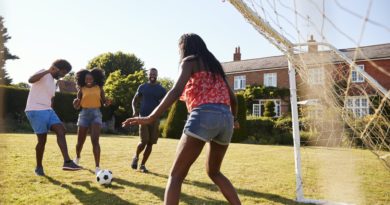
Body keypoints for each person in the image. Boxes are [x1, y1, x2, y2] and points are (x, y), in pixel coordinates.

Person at [122, 33, 241, 205]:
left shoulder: (189, 61)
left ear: (185, 47)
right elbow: (234, 99)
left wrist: (151, 117)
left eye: (180, 48)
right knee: (214, 172)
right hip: (226, 119)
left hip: (203, 114)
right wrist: (234, 119)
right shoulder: (216, 68)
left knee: (176, 175)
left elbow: (176, 91)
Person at [25, 59, 82, 176]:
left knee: (61, 130)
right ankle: (39, 167)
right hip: (35, 110)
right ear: (55, 68)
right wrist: (47, 71)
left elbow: (51, 98)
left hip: (48, 110)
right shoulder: (43, 73)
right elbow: (30, 80)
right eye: (63, 72)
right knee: (42, 141)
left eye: (65, 74)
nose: (62, 76)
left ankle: (67, 162)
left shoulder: (53, 82)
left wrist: (51, 109)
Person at [72, 68, 110, 175]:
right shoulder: (81, 89)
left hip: (96, 114)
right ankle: (77, 158)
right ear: (83, 79)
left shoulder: (99, 88)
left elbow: (104, 103)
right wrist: (75, 103)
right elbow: (76, 106)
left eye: (91, 78)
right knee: (80, 142)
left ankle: (97, 167)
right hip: (84, 114)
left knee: (95, 140)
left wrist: (107, 102)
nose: (89, 80)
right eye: (87, 78)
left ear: (94, 79)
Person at [130, 68, 166, 173]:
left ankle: (142, 165)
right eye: (151, 74)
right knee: (144, 141)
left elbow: (165, 103)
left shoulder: (161, 90)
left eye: (154, 74)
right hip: (143, 117)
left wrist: (161, 111)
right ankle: (136, 156)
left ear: (157, 75)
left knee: (150, 143)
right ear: (148, 75)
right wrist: (134, 111)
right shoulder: (142, 87)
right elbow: (134, 101)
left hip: (155, 119)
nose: (152, 75)